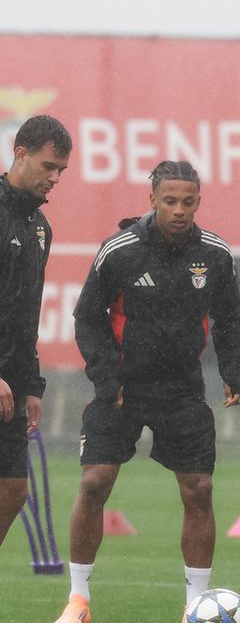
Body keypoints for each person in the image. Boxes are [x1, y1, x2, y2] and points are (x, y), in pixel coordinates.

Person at [56, 160, 240, 623]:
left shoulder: (216, 254)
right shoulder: (120, 251)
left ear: (198, 201)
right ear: (153, 200)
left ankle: (194, 605)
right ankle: (78, 599)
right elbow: (87, 317)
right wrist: (107, 376)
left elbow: (230, 318)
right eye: (170, 201)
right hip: (121, 387)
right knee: (94, 482)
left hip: (182, 390)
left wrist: (234, 372)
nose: (179, 210)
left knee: (198, 489)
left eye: (188, 202)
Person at [0, 115, 70, 549]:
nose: (55, 177)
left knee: (12, 491)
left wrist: (33, 385)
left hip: (13, 383)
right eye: (49, 166)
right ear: (19, 153)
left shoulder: (40, 228)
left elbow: (26, 315)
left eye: (61, 170)